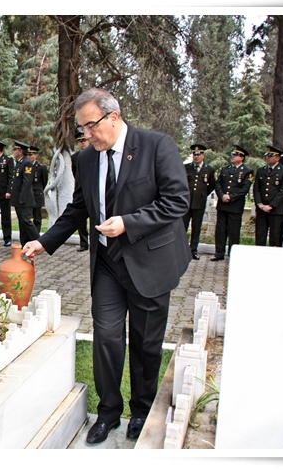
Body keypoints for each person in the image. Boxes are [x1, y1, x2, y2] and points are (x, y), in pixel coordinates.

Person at [22, 88, 190, 443]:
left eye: (90, 126)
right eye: (82, 128)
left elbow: (176, 201)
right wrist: (45, 240)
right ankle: (109, 412)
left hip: (150, 263)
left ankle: (141, 411)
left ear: (113, 117)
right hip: (108, 266)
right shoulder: (86, 159)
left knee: (146, 344)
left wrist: (128, 222)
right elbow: (78, 208)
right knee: (107, 340)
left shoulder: (157, 146)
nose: (86, 134)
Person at [211, 145, 254, 261]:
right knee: (220, 230)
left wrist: (231, 197)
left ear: (242, 158)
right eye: (232, 155)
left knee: (233, 231)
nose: (232, 157)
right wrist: (222, 195)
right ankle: (219, 252)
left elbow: (244, 189)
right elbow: (218, 184)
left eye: (235, 155)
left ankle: (233, 254)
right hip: (223, 204)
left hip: (235, 205)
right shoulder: (225, 169)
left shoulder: (247, 171)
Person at [253, 145, 283, 247]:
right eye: (267, 155)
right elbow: (256, 188)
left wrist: (272, 205)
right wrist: (260, 204)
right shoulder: (261, 170)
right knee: (260, 235)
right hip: (262, 209)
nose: (268, 157)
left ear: (278, 158)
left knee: (275, 236)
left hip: (276, 209)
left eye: (271, 155)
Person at [182, 144, 216, 260]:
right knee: (183, 227)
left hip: (199, 203)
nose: (196, 157)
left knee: (196, 228)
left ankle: (193, 250)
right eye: (194, 154)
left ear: (203, 156)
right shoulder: (186, 167)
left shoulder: (209, 169)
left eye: (199, 154)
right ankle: (181, 249)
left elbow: (212, 185)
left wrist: (202, 194)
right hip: (186, 202)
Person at [10, 140, 39, 246]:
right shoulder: (20, 163)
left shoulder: (26, 163)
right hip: (19, 199)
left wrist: (22, 197)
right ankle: (25, 243)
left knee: (26, 222)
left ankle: (39, 242)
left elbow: (27, 182)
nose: (13, 151)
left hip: (24, 199)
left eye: (15, 149)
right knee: (22, 223)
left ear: (20, 151)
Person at [72, 130, 90, 252]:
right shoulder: (75, 157)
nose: (82, 143)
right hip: (80, 189)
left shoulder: (96, 153)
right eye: (79, 141)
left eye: (84, 140)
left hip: (92, 189)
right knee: (80, 219)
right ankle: (84, 242)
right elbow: (75, 173)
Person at [28, 145, 48, 236]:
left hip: (36, 195)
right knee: (27, 218)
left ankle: (36, 236)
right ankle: (29, 235)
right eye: (28, 154)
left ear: (36, 155)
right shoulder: (25, 166)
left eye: (31, 154)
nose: (29, 156)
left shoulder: (41, 168)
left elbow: (44, 182)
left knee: (37, 218)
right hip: (27, 195)